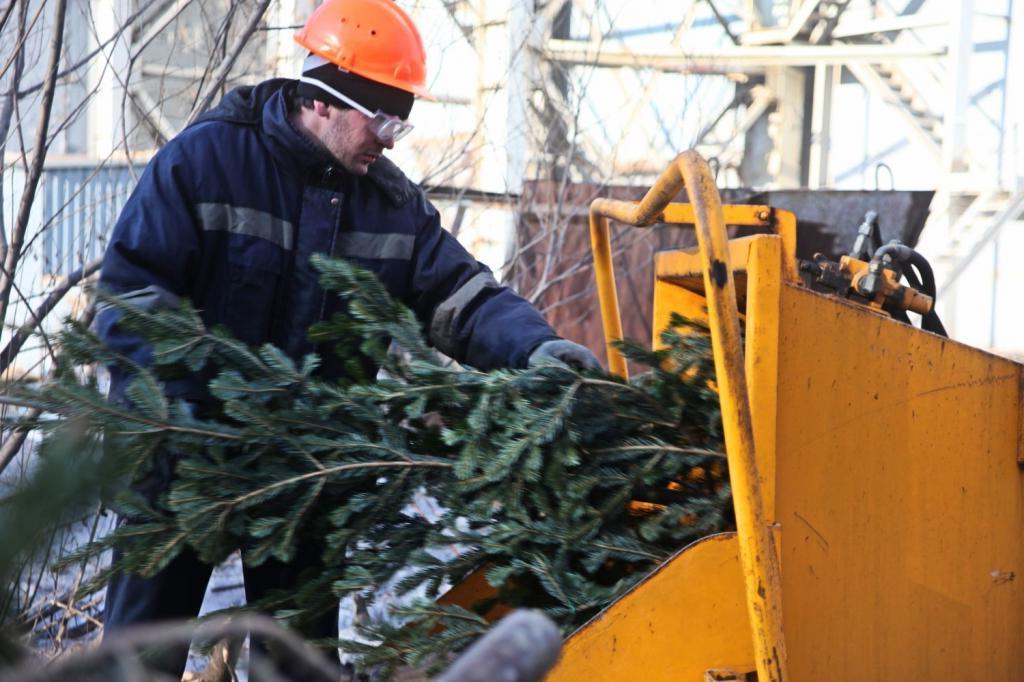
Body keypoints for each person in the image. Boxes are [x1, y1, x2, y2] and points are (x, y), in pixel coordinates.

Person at [96, 0, 599, 676]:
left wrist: (536, 348)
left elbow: (462, 296)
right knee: (139, 657)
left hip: (307, 475)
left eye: (401, 121)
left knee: (300, 664)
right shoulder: (206, 162)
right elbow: (133, 294)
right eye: (382, 119)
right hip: (181, 462)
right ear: (324, 102)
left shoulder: (391, 206)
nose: (391, 140)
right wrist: (179, 423)